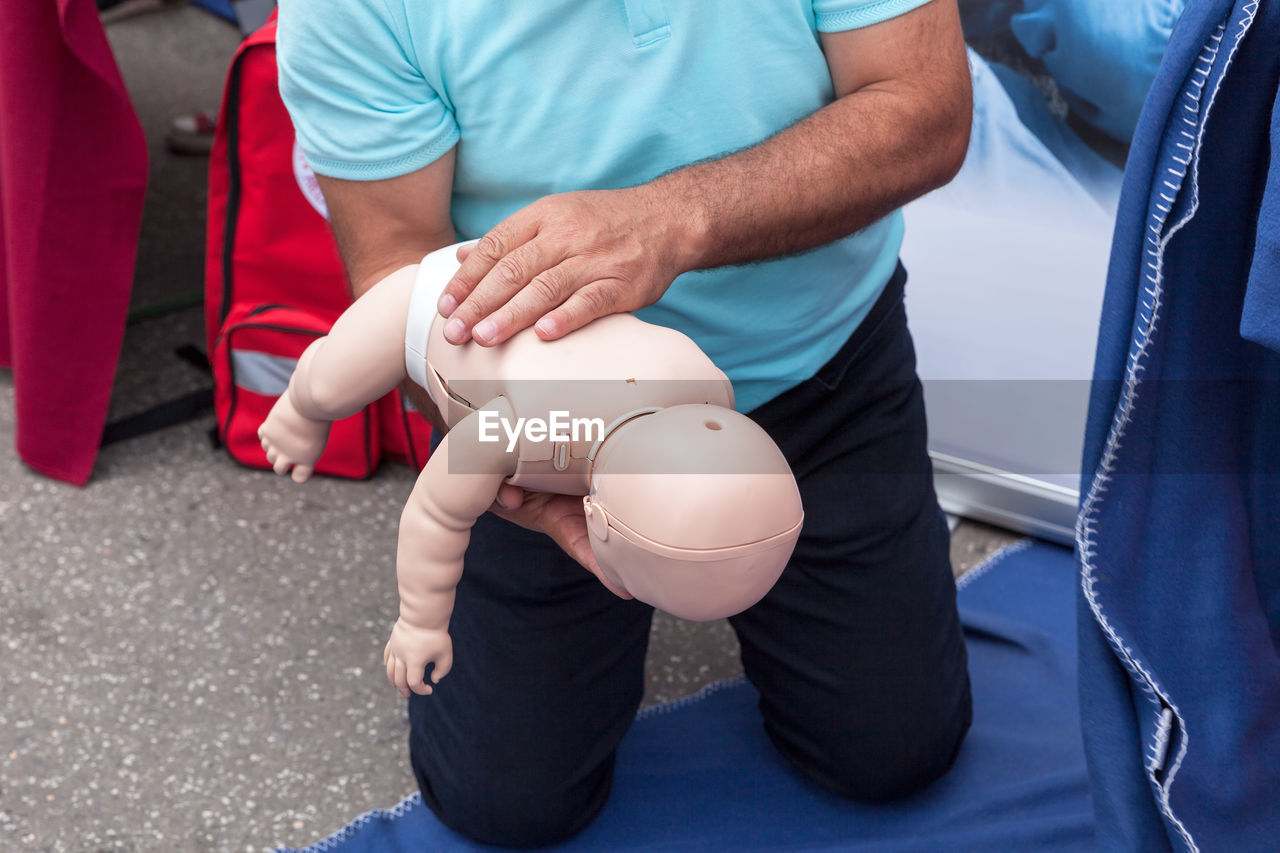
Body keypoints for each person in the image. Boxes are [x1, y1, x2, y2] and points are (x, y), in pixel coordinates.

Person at [275, 0, 974, 846]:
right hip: (546, 427)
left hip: (823, 369)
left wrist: (673, 221)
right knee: (508, 808)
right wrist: (518, 479)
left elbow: (927, 111)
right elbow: (398, 281)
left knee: (893, 755)